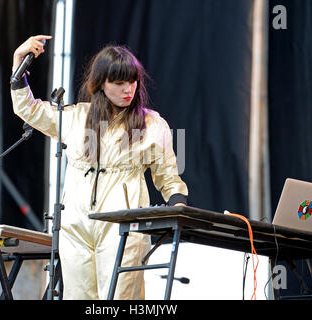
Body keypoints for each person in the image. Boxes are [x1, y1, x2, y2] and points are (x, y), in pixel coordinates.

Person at [10, 35, 188, 300]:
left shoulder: (153, 125)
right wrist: (18, 62)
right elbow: (29, 109)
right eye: (119, 82)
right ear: (101, 84)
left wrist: (178, 205)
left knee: (118, 299)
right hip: (75, 227)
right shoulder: (75, 117)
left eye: (132, 81)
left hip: (124, 227)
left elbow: (170, 179)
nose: (128, 89)